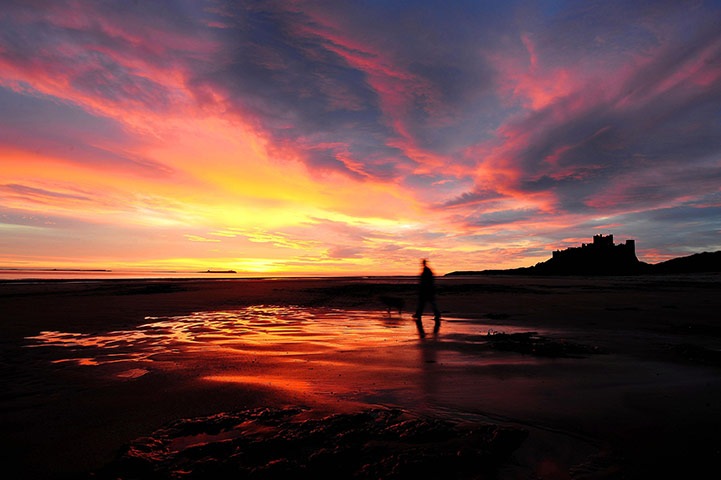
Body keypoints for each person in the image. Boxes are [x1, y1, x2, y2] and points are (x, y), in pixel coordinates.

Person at [413, 258, 441, 337]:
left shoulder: (426, 271)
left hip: (427, 289)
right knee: (426, 303)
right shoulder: (427, 270)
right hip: (428, 289)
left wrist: (423, 287)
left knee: (427, 302)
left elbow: (426, 281)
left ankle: (436, 314)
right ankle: (419, 314)